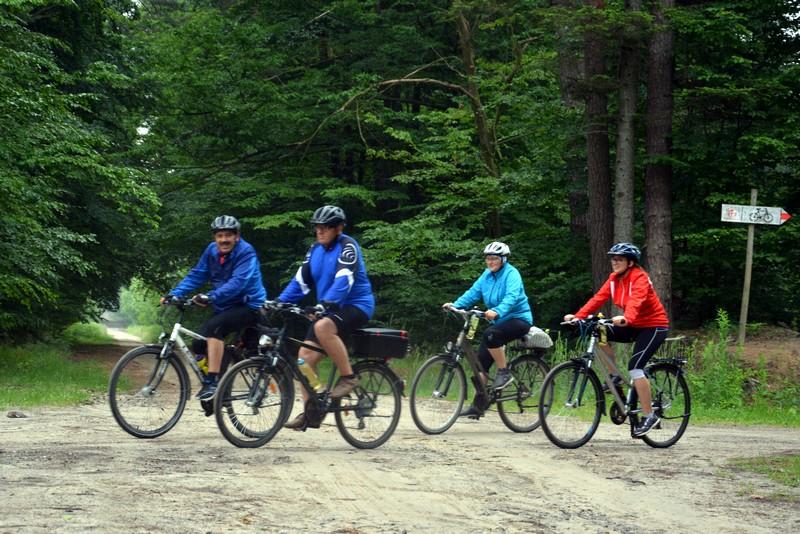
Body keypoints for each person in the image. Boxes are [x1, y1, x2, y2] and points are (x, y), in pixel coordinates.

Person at [278, 205, 375, 430]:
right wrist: (279, 302)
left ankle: (349, 377)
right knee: (304, 359)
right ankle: (313, 408)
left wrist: (325, 303)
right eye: (317, 227)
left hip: (356, 305)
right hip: (329, 310)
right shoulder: (315, 250)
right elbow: (300, 282)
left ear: (339, 228)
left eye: (327, 227)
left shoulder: (348, 246)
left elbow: (344, 278)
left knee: (322, 327)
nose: (320, 231)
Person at [563, 242, 670, 437]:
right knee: (599, 330)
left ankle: (649, 415)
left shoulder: (640, 278)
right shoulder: (614, 279)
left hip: (653, 326)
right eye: (613, 259)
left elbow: (636, 301)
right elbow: (598, 299)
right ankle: (614, 376)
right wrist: (578, 316)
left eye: (619, 259)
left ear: (631, 262)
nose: (615, 262)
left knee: (635, 367)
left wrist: (627, 318)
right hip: (632, 324)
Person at [163, 215, 267, 400]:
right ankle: (218, 378)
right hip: (224, 307)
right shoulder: (211, 251)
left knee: (214, 328)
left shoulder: (246, 252)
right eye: (220, 235)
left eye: (228, 235)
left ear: (237, 236)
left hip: (248, 305)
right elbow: (197, 274)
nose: (224, 240)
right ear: (215, 237)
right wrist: (175, 294)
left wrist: (210, 296)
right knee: (198, 344)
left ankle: (212, 383)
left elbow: (238, 283)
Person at [444, 241, 534, 419]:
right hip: (499, 322)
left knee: (490, 334)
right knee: (480, 364)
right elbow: (473, 293)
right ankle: (478, 406)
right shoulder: (486, 275)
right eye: (488, 258)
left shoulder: (512, 274)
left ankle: (504, 372)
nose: (490, 262)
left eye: (494, 258)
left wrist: (497, 310)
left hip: (519, 319)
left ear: (503, 259)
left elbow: (512, 296)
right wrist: (456, 305)